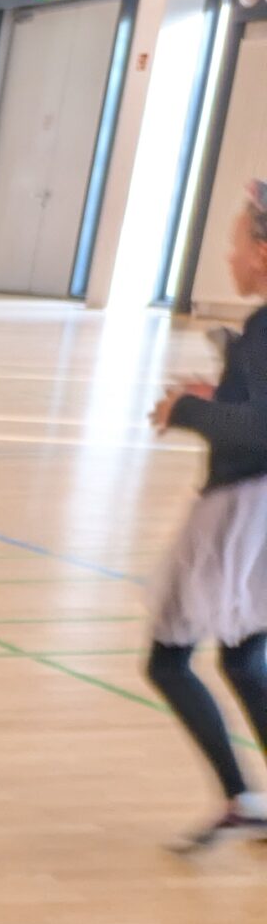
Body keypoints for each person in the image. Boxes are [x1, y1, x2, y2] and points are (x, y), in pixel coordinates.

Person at [148, 180, 267, 851]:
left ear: (262, 253)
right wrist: (216, 397)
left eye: (234, 244)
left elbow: (261, 429)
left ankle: (241, 799)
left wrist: (187, 409)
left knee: (168, 659)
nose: (228, 257)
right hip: (253, 510)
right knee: (246, 659)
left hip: (242, 511)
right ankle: (243, 801)